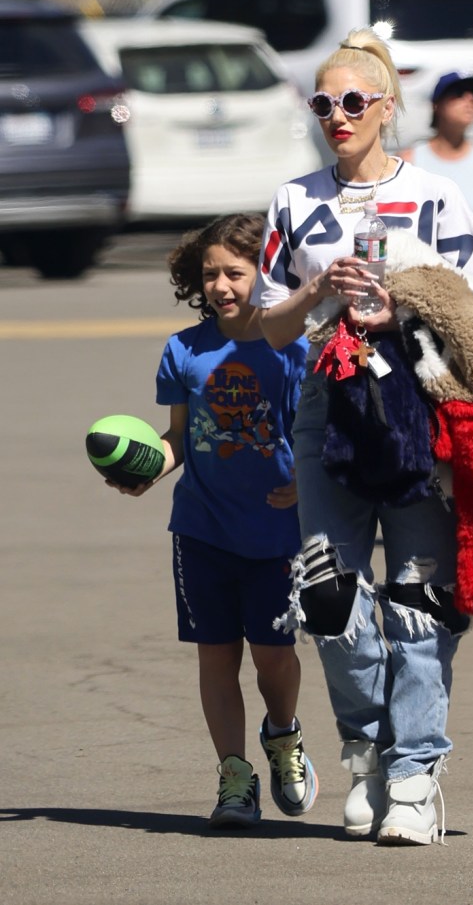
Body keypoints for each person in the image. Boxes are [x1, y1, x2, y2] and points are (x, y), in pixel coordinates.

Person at [251, 27, 473, 846]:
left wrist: (405, 303)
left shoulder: (436, 197)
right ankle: (366, 754)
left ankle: (418, 774)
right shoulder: (294, 201)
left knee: (421, 595)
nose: (337, 115)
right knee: (329, 593)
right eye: (323, 103)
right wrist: (316, 286)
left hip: (419, 401)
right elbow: (270, 326)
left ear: (386, 107)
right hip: (328, 400)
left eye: (353, 101)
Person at [106, 214, 317, 827]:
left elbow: (315, 437)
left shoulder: (294, 349)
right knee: (216, 656)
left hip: (277, 532)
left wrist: (305, 483)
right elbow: (177, 438)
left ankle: (283, 736)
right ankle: (234, 776)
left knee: (274, 656)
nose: (222, 285)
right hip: (201, 530)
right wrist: (149, 468)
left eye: (235, 272)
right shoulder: (183, 349)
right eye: (210, 274)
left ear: (267, 273)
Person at [400, 70, 473, 313]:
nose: (469, 101)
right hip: (424, 302)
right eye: (458, 94)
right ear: (436, 105)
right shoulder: (408, 162)